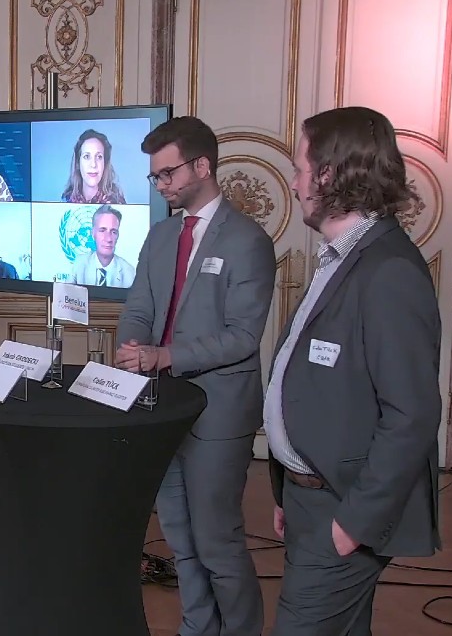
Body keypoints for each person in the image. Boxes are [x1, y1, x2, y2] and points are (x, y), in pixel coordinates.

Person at [264, 106, 441, 635]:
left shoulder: (388, 271)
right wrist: (290, 487)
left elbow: (412, 415)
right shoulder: (339, 257)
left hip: (343, 510)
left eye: (299, 169)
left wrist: (351, 523)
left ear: (329, 174)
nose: (293, 185)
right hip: (310, 499)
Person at [115, 116, 275, 636]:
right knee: (180, 539)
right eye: (155, 176)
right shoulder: (160, 236)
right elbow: (139, 306)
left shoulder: (249, 241)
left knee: (216, 541)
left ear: (202, 166)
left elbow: (241, 337)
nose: (160, 185)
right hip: (159, 409)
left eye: (167, 173)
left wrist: (163, 356)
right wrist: (134, 343)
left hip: (218, 412)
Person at [71, 204, 136, 287]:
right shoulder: (79, 264)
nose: (108, 239)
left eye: (113, 232)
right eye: (102, 230)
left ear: (118, 236)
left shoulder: (129, 273)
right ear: (93, 233)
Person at [60, 128, 126, 204]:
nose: (93, 164)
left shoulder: (118, 203)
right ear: (78, 163)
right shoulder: (66, 201)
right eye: (87, 156)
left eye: (99, 157)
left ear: (105, 163)